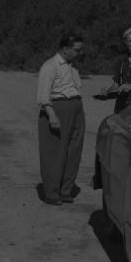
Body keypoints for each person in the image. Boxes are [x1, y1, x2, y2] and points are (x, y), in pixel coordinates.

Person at [37, 33, 86, 205]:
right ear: (66, 49)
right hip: (58, 108)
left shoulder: (73, 67)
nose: (80, 53)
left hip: (76, 108)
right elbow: (43, 95)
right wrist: (52, 116)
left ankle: (66, 190)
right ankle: (52, 193)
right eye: (77, 50)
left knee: (74, 150)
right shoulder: (50, 66)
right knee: (54, 152)